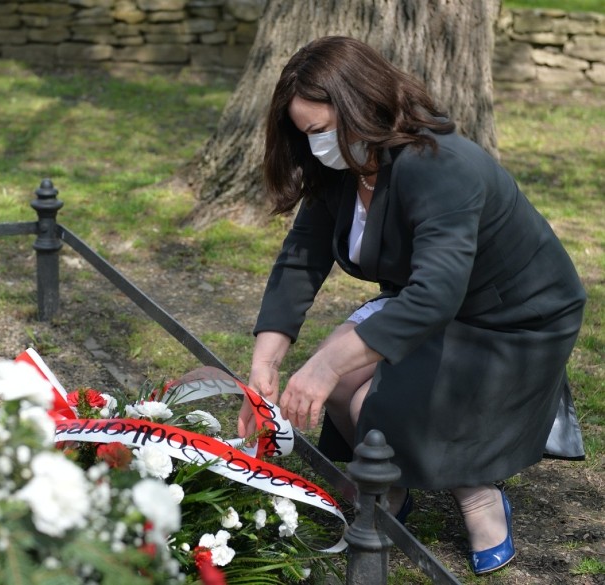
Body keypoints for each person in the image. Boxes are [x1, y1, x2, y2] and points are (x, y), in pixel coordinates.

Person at [236, 36, 586, 576]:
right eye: (305, 135)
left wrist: (324, 366)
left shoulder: (438, 164)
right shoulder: (344, 170)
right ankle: (391, 486)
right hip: (431, 301)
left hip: (511, 318)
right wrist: (265, 364)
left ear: (362, 106)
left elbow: (435, 294)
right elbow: (299, 262)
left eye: (321, 131)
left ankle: (476, 492)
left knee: (361, 397)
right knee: (344, 390)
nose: (315, 148)